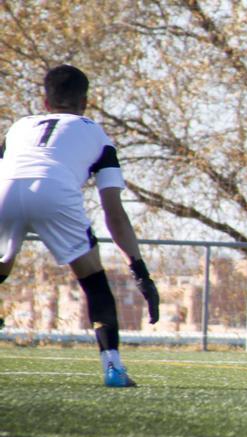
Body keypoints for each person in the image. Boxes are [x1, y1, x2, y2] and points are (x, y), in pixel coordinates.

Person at [0, 65, 160, 387]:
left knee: (1, 267)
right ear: (85, 102)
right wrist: (140, 272)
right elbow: (113, 214)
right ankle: (113, 369)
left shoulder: (18, 128)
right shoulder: (97, 134)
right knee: (94, 280)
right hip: (55, 192)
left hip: (4, 190)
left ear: (45, 103)